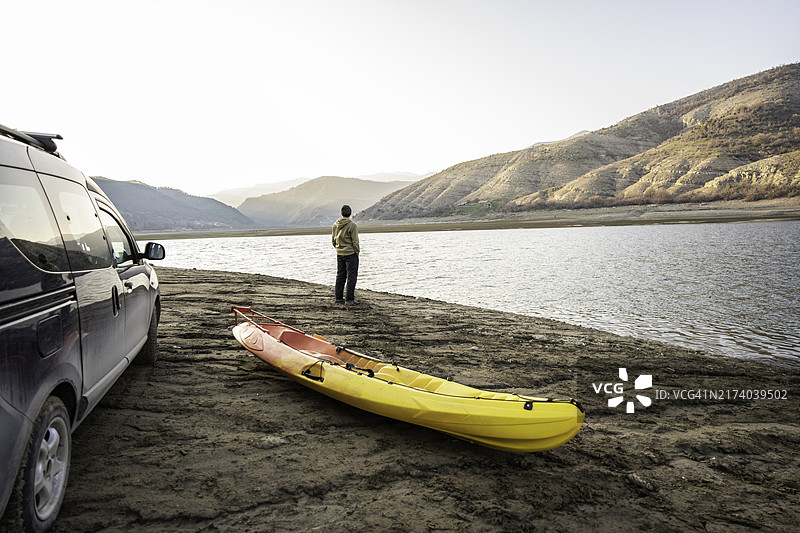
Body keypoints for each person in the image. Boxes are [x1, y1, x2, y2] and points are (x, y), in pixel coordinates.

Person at [332, 204, 360, 304]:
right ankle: (349, 299)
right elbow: (355, 242)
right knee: (351, 276)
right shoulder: (352, 226)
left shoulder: (335, 225)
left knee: (340, 275)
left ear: (341, 213)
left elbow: (333, 240)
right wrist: (357, 252)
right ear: (350, 213)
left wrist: (338, 249)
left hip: (339, 253)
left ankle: (338, 297)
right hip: (350, 253)